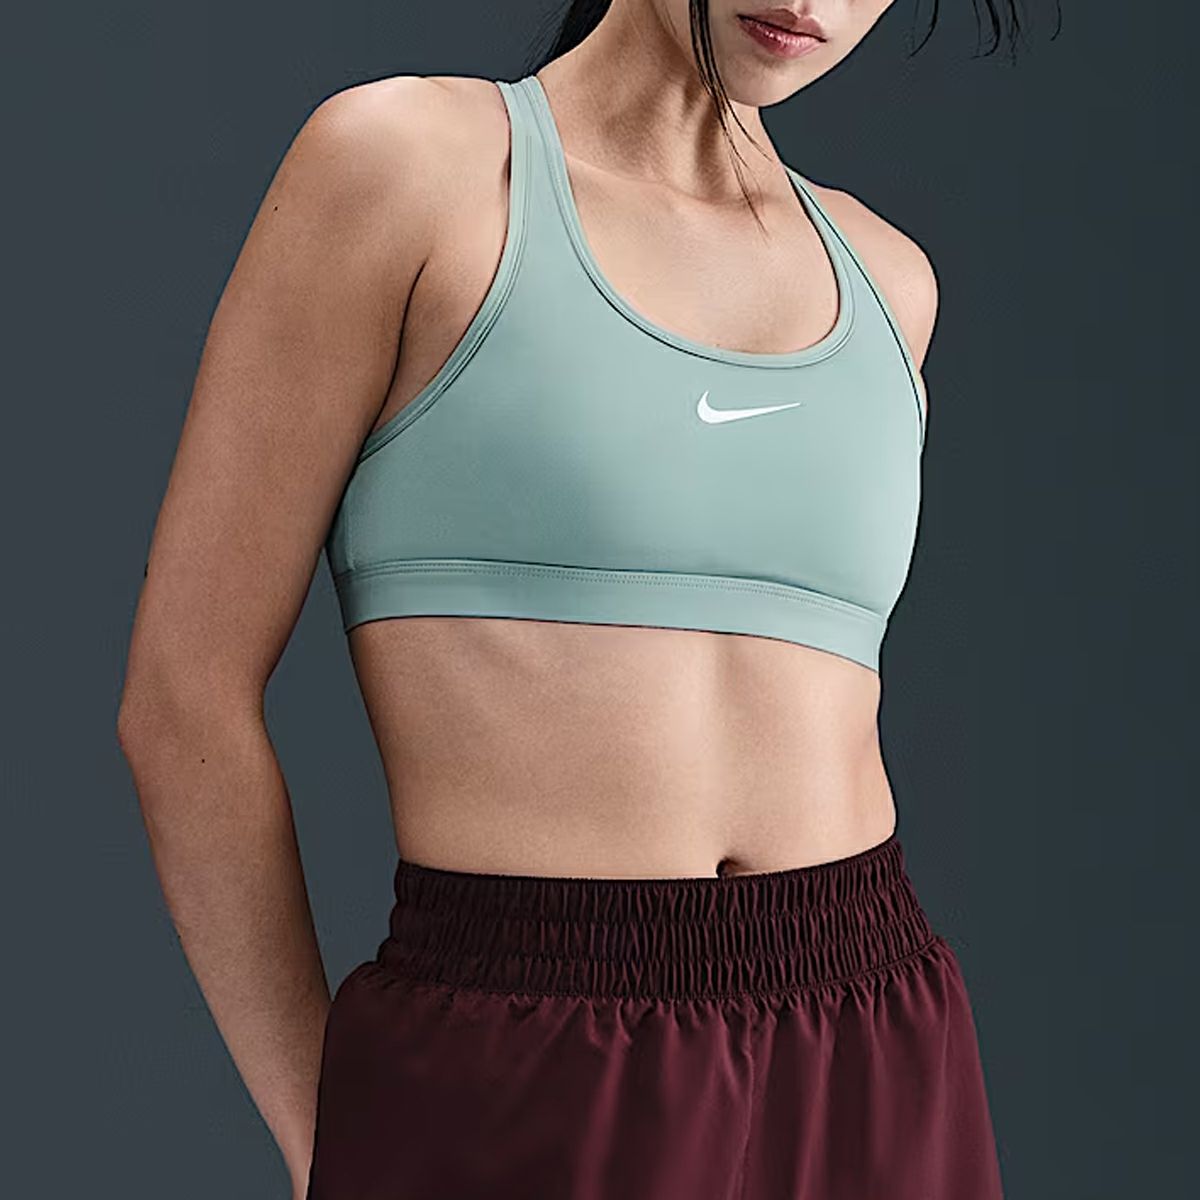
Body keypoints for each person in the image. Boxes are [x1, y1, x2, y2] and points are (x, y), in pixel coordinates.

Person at [117, 2, 1052, 1196]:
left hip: (870, 1031)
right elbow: (182, 699)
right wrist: (329, 1134)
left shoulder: (888, 281)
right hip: (528, 1038)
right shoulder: (413, 170)